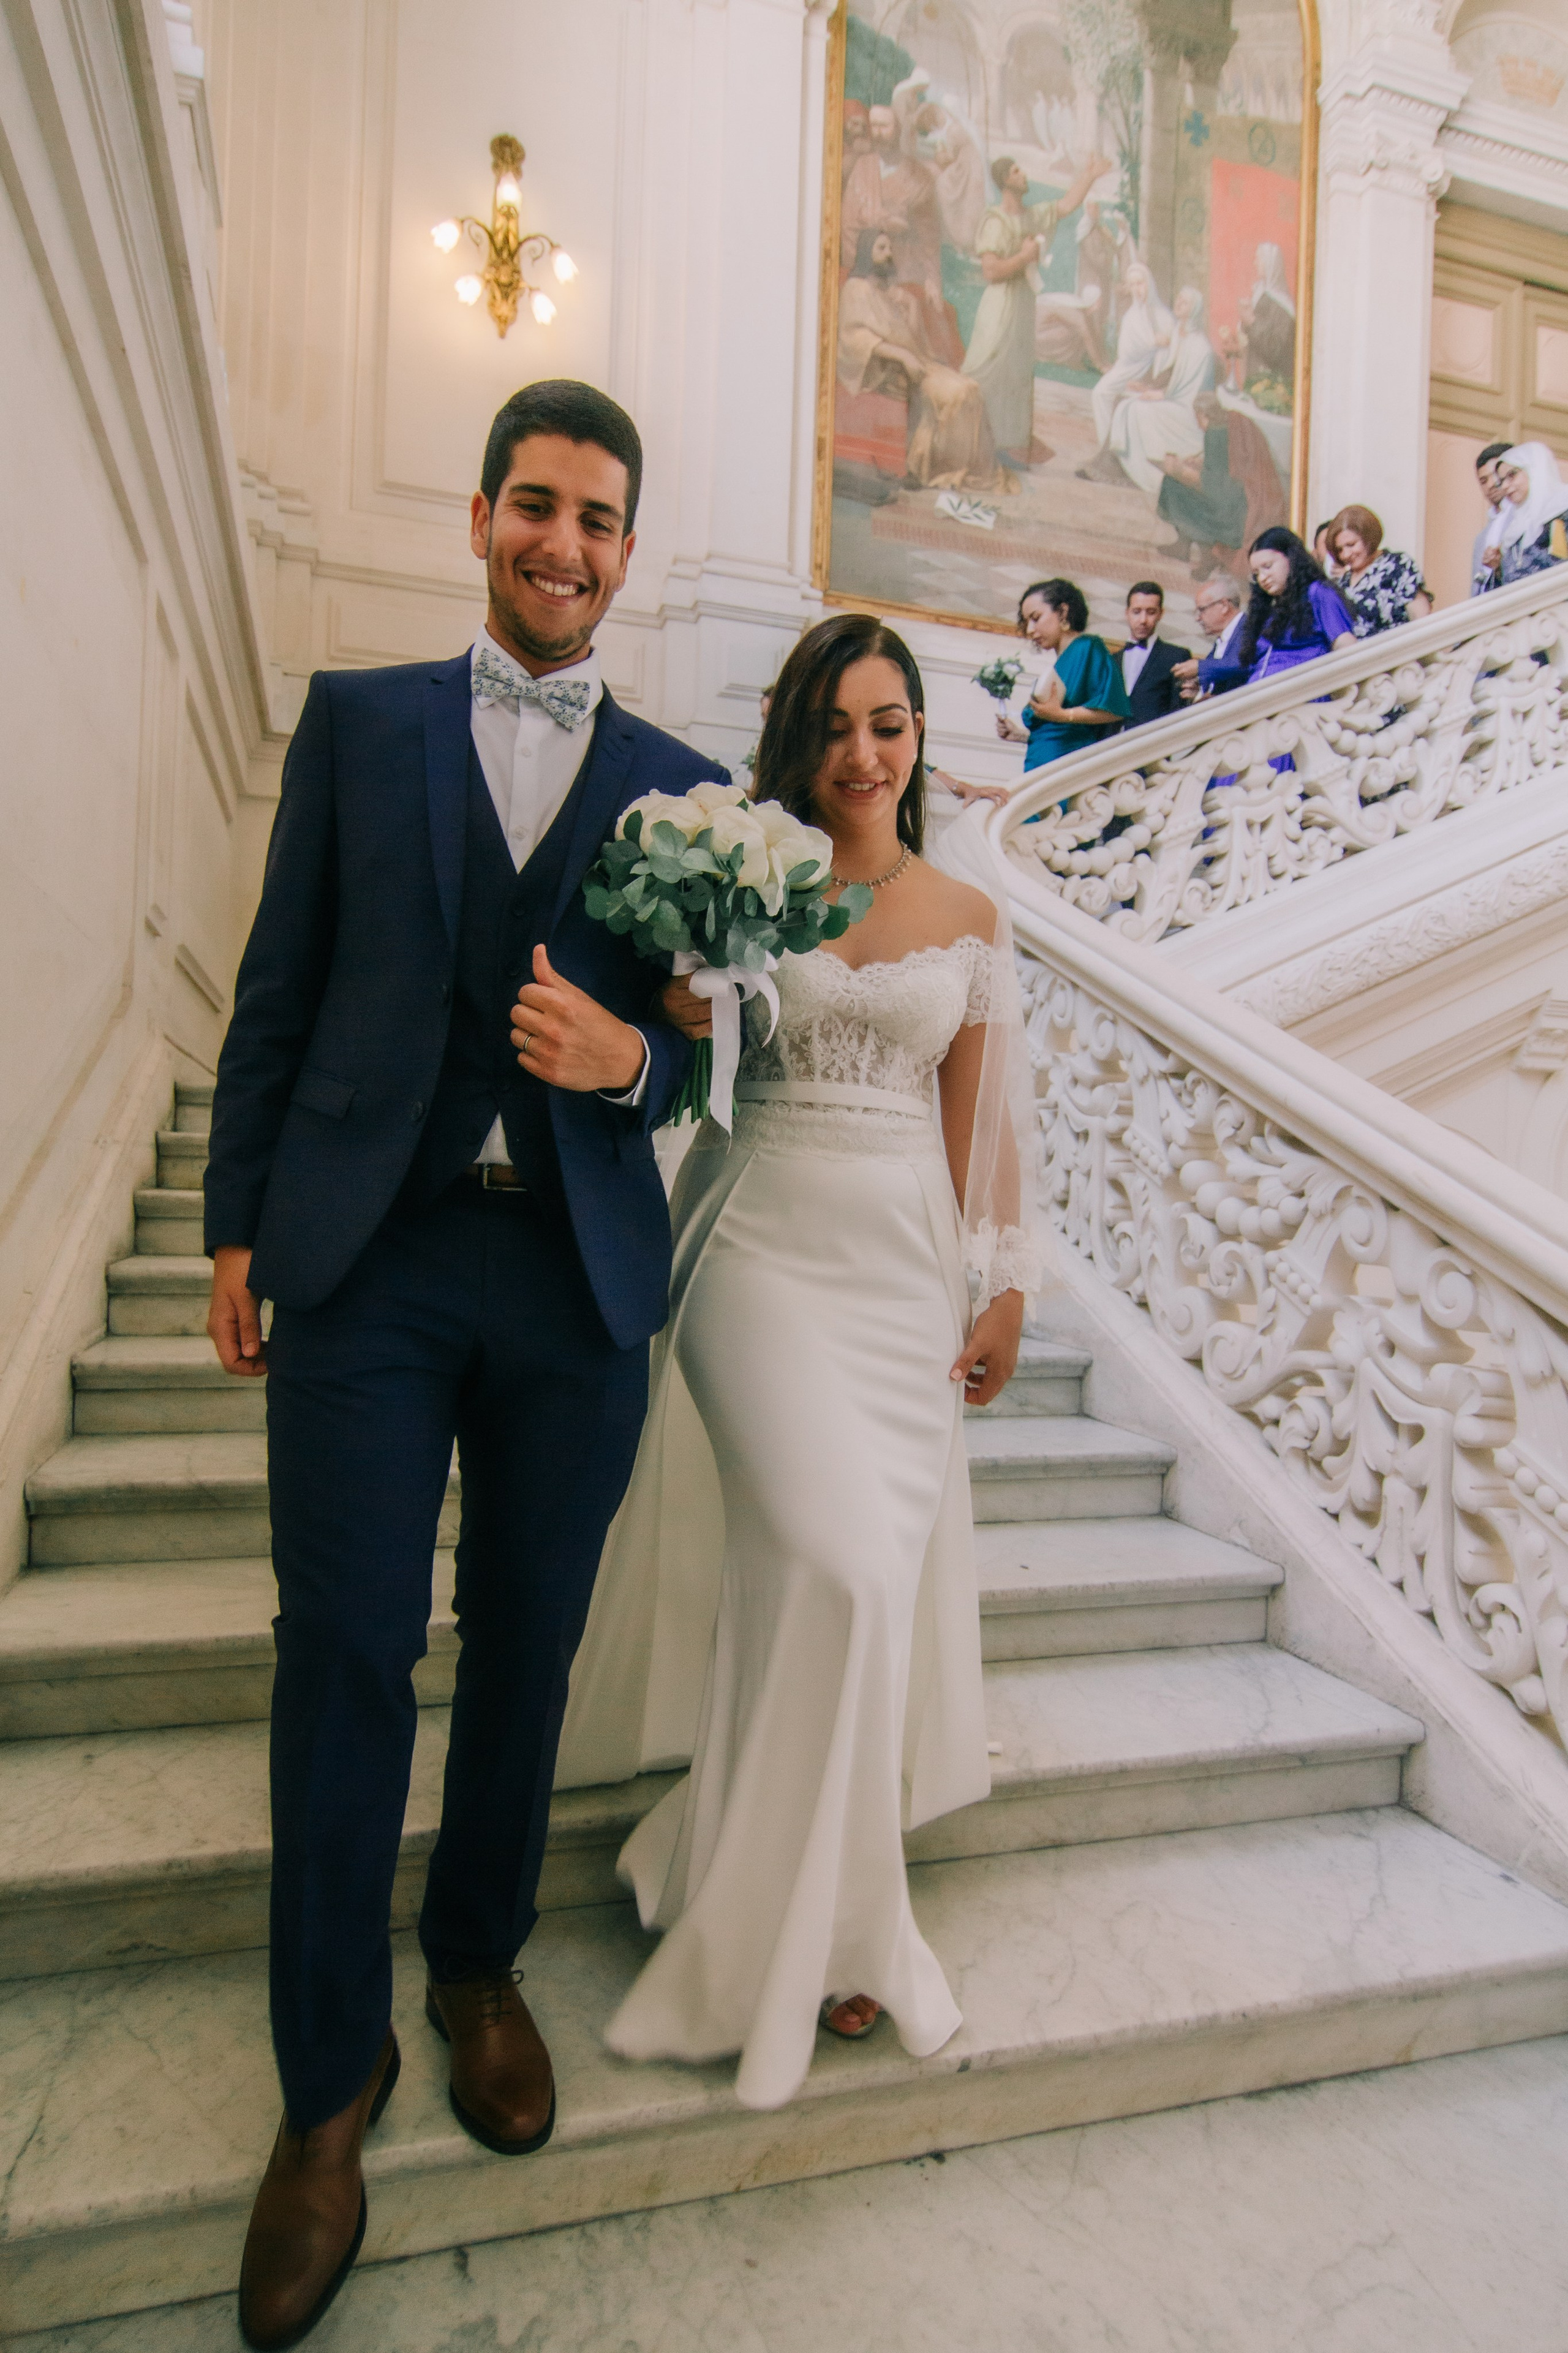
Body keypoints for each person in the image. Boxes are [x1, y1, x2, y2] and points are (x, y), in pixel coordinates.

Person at [205, 380, 735, 2351]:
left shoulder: (685, 787)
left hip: (571, 1275)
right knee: (343, 1644)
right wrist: (236, 1223)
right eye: (536, 505)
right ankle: (325, 2081)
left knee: (525, 1643)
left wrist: (644, 1063)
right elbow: (276, 980)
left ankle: (479, 1961)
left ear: (627, 545)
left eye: (600, 519)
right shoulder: (358, 724)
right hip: (365, 1254)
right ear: (480, 512)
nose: (564, 544)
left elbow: (708, 1043)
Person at [555, 613, 1046, 2111]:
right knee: (829, 1560)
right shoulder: (740, 876)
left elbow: (982, 1129)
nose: (859, 752)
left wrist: (1002, 1286)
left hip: (901, 1272)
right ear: (799, 735)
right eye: (834, 724)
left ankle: (817, 1903)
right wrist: (690, 996)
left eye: (885, 723)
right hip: (755, 1239)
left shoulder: (967, 911)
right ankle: (758, 1906)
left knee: (844, 1588)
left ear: (915, 739)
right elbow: (679, 1060)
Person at [963, 149, 1109, 466]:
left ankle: (1005, 448)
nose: (1024, 176)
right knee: (987, 367)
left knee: (1015, 377)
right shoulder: (996, 221)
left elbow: (1067, 206)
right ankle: (968, 443)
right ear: (1004, 181)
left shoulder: (1032, 216)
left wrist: (1089, 175)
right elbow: (991, 271)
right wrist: (1024, 258)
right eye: (1017, 172)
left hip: (1023, 306)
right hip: (1001, 305)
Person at [837, 228, 1007, 493]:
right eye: (881, 248)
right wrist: (903, 356)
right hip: (887, 371)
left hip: (916, 363)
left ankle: (965, 468)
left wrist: (912, 307)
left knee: (972, 389)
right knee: (959, 394)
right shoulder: (855, 289)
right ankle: (933, 469)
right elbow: (855, 338)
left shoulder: (888, 293)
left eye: (890, 248)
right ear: (866, 253)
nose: (889, 254)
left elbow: (915, 343)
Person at [993, 578, 1129, 771]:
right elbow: (1058, 729)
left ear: (1063, 612)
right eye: (1026, 622)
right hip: (1042, 764)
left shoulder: (1087, 647)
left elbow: (1114, 710)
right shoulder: (1065, 659)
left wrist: (1064, 715)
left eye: (1036, 618)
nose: (1030, 630)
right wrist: (1020, 735)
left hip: (1066, 768)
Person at [1204, 526, 1357, 692]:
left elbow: (1345, 644)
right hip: (1259, 700)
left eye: (1268, 567)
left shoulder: (1318, 593)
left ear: (1291, 558)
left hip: (1301, 699)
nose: (1262, 578)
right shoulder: (1269, 609)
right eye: (1256, 574)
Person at [1109, 287, 1216, 497]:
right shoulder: (1178, 333)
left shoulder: (1200, 346)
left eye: (1184, 303)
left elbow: (1190, 391)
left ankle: (1141, 467)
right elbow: (1170, 372)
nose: (1178, 304)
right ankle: (1123, 464)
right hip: (1172, 397)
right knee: (1127, 403)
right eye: (1178, 299)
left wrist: (1160, 395)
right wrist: (1148, 387)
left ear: (1194, 310)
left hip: (1188, 409)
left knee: (1137, 409)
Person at [1329, 504, 1431, 636]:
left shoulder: (1398, 565)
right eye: (1340, 550)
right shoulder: (1342, 582)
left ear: (1369, 538)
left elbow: (1421, 618)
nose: (1346, 555)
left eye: (1351, 545)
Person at [1486, 442, 1568, 586]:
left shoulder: (1562, 511)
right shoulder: (1513, 532)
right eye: (1501, 481)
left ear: (1534, 470)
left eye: (1512, 475)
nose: (1504, 487)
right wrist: (1498, 568)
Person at [1118, 581, 1190, 726]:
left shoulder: (1176, 657)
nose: (1143, 620)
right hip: (1110, 744)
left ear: (1160, 614)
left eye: (1151, 612)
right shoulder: (1112, 660)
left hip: (1153, 743)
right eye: (1137, 612)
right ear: (1127, 613)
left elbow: (1178, 712)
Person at [1174, 573, 1245, 700]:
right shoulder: (1221, 641)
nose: (1198, 618)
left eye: (1202, 610)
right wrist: (1199, 692)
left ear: (1224, 605)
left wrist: (1200, 667)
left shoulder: (1250, 628)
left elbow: (1245, 663)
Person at [1471, 441, 1513, 593]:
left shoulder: (1525, 517)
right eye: (1484, 481)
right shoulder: (1481, 539)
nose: (1491, 484)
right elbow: (1476, 589)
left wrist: (1500, 567)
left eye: (1495, 475)